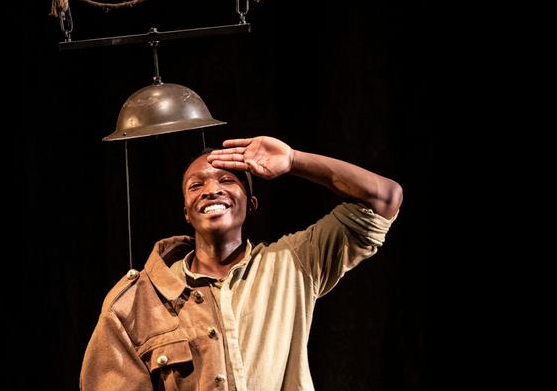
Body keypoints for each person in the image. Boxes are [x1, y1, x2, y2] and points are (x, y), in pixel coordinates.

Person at [80, 136, 402, 390]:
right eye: (196, 185)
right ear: (186, 211)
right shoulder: (139, 301)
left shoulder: (291, 263)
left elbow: (383, 198)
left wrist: (293, 160)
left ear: (252, 203)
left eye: (227, 180)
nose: (211, 190)